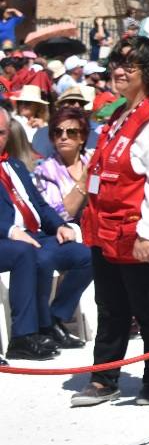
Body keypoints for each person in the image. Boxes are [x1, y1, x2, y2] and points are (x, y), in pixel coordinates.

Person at [71, 36, 149, 408]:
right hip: (107, 233)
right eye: (116, 64)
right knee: (110, 306)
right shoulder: (118, 115)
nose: (118, 71)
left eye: (129, 66)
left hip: (141, 234)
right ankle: (105, 377)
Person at [0, 107, 90, 361]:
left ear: (8, 134)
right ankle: (23, 336)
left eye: (0, 133)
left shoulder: (14, 165)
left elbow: (39, 205)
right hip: (8, 240)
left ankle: (54, 318)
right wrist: (9, 230)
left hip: (34, 235)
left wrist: (58, 226)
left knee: (86, 255)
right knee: (26, 254)